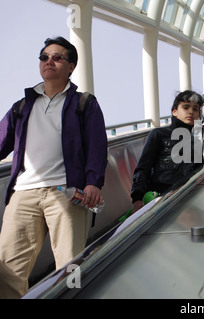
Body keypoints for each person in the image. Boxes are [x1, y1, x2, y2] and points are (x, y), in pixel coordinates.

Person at [0, 36, 108, 297]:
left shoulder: (84, 103)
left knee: (71, 267)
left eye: (57, 57)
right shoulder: (22, 106)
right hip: (24, 193)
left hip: (67, 194)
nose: (49, 61)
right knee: (8, 269)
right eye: (44, 57)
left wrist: (93, 181)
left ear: (71, 66)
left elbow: (97, 145)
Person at [131, 90, 204, 213]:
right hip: (159, 198)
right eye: (185, 107)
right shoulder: (159, 134)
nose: (191, 112)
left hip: (188, 199)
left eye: (195, 109)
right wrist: (137, 199)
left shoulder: (197, 141)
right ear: (174, 112)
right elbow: (143, 167)